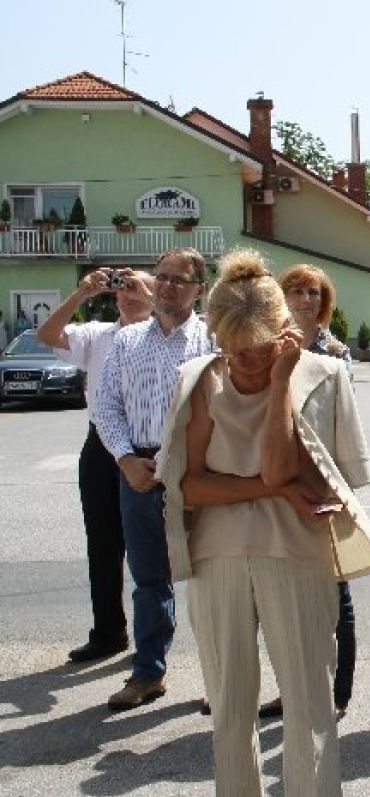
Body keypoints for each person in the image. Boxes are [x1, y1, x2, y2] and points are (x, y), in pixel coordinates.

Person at [157, 249, 370, 797]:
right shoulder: (198, 378)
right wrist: (276, 491)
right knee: (229, 708)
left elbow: (279, 467)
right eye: (231, 348)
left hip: (299, 556)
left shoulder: (325, 374)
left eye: (257, 348)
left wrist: (283, 380)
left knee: (310, 705)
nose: (244, 360)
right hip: (217, 559)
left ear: (282, 330)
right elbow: (190, 486)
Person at [94, 247, 211, 711]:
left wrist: (169, 460)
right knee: (149, 580)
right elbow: (105, 405)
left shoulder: (211, 340)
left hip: (196, 471)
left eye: (179, 279)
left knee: (212, 579)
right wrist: (125, 458)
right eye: (161, 277)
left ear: (199, 289)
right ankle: (148, 674)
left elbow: (217, 408)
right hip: (137, 474)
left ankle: (222, 677)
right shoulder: (126, 341)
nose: (166, 286)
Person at [252, 263, 358, 720]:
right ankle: (291, 688)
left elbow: (341, 422)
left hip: (321, 480)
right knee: (284, 598)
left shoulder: (335, 353)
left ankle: (336, 692)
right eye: (296, 290)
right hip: (275, 482)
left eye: (314, 292)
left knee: (334, 595)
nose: (305, 299)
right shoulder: (265, 345)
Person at [37, 267, 154, 662]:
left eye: (138, 287)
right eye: (123, 288)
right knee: (103, 543)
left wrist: (151, 299)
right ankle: (108, 632)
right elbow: (47, 335)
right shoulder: (98, 333)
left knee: (150, 547)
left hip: (148, 445)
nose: (128, 294)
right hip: (102, 447)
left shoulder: (164, 334)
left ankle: (153, 639)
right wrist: (80, 295)